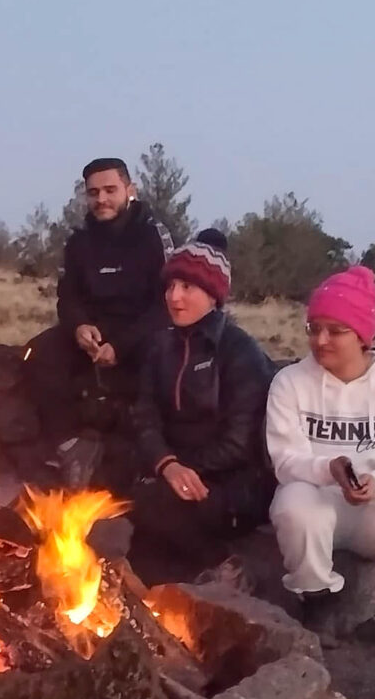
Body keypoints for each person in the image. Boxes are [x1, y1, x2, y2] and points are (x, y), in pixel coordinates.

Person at [265, 265, 375, 654]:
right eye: (314, 328)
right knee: (293, 504)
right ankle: (318, 603)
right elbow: (285, 459)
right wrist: (327, 469)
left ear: (362, 335)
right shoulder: (290, 383)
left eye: (335, 330)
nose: (320, 340)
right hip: (320, 497)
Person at [125, 229, 275, 571]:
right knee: (143, 536)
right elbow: (145, 417)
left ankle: (223, 568)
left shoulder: (240, 352)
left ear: (213, 294)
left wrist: (183, 468)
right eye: (170, 286)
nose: (174, 297)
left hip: (235, 485)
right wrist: (167, 464)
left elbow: (240, 442)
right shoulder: (160, 347)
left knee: (153, 505)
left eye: (187, 287)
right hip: (177, 473)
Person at [23, 156, 174, 486]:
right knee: (37, 353)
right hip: (93, 331)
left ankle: (152, 457)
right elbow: (68, 296)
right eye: (93, 193)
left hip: (141, 331)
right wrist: (79, 326)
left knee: (163, 354)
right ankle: (69, 445)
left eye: (110, 190)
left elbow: (166, 304)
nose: (101, 199)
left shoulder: (153, 236)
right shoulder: (80, 241)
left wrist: (120, 346)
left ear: (129, 190)